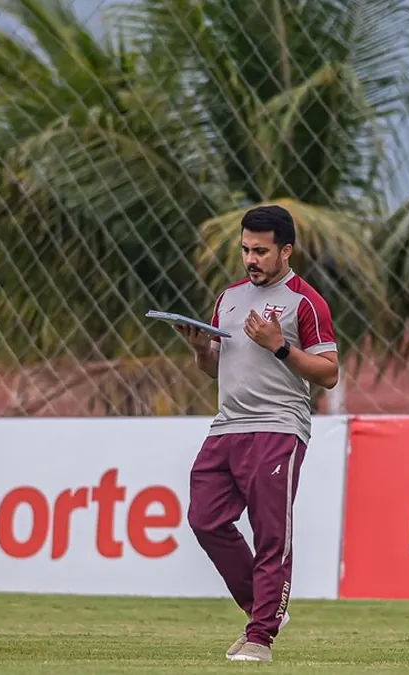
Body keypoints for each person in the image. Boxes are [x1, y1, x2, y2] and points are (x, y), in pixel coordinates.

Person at [175, 204, 339, 663]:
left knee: (271, 535)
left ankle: (260, 637)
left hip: (279, 427)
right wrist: (198, 351)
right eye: (246, 249)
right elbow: (214, 368)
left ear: (285, 251)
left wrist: (280, 346)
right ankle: (263, 607)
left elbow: (329, 374)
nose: (251, 259)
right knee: (204, 519)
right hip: (227, 425)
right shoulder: (227, 297)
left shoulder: (306, 302)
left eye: (262, 251)